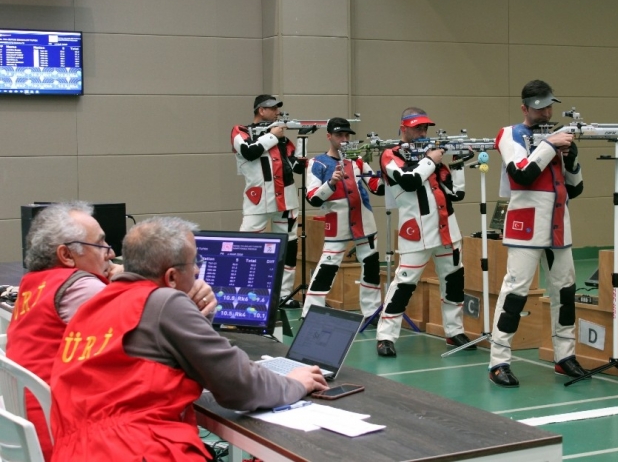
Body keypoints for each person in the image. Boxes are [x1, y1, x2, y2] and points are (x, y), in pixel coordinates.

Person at [49, 217, 328, 461]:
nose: (197, 271)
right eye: (195, 262)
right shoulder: (165, 303)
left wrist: (197, 318)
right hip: (136, 449)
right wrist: (295, 383)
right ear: (171, 277)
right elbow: (240, 386)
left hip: (74, 450)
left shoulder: (94, 305)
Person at [5, 202, 218, 461]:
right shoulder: (82, 289)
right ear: (67, 255)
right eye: (101, 245)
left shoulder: (35, 284)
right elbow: (160, 326)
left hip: (34, 430)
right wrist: (185, 303)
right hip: (66, 436)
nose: (111, 252)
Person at [488, 79, 588, 387]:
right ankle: (498, 361)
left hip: (558, 223)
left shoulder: (554, 138)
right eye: (539, 107)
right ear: (525, 108)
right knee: (515, 293)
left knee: (565, 292)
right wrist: (550, 146)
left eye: (548, 106)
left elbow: (576, 188)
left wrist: (570, 156)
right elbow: (522, 174)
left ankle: (565, 356)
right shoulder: (509, 134)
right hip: (525, 225)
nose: (545, 112)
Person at [375, 107, 475, 357]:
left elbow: (456, 193)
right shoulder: (391, 154)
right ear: (403, 128)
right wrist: (431, 159)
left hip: (447, 230)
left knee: (453, 282)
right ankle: (385, 336)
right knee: (404, 284)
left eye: (425, 128)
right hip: (415, 232)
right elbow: (409, 180)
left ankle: (454, 332)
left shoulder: (432, 157)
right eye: (417, 127)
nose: (422, 132)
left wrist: (459, 162)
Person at [302, 117, 385, 321]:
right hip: (337, 223)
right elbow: (312, 198)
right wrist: (330, 183)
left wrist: (387, 169)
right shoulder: (317, 162)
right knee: (327, 267)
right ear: (329, 136)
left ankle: (371, 312)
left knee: (371, 266)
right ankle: (310, 313)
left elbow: (376, 186)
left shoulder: (357, 160)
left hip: (365, 222)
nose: (344, 139)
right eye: (339, 135)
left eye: (347, 135)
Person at [231, 94, 303, 309]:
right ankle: (243, 293)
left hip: (287, 201)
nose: (277, 112)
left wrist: (303, 140)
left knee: (288, 247)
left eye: (278, 109)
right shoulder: (240, 131)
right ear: (261, 111)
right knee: (247, 246)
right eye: (273, 109)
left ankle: (283, 295)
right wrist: (272, 136)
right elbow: (248, 151)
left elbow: (298, 166)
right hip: (258, 200)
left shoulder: (282, 139)